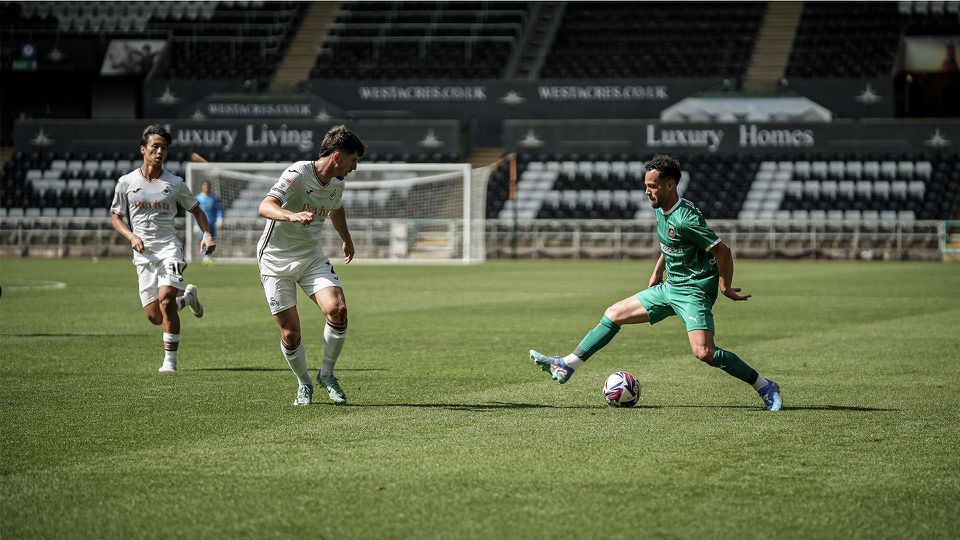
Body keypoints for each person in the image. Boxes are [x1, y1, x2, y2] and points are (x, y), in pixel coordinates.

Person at [529, 154, 783, 411]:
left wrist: (725, 285)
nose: (646, 191)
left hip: (693, 291)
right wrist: (656, 273)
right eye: (646, 185)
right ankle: (567, 364)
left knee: (704, 353)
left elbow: (723, 251)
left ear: (669, 185)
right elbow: (670, 245)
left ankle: (764, 386)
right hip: (670, 287)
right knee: (614, 314)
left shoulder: (686, 219)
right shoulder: (662, 209)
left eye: (652, 186)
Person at [256, 125, 364, 406]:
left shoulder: (337, 182)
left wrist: (346, 239)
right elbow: (265, 206)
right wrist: (291, 216)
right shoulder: (297, 173)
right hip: (275, 260)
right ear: (338, 156)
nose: (354, 167)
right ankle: (304, 382)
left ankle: (326, 374)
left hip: (311, 257)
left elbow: (335, 207)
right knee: (291, 334)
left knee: (338, 310)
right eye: (353, 160)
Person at [111, 124, 216, 372]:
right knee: (154, 315)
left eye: (164, 148)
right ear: (143, 149)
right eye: (155, 146)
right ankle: (188, 298)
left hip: (169, 248)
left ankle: (170, 362)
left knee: (166, 300)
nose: (159, 151)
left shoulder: (175, 183)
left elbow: (197, 210)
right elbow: (116, 218)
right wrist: (131, 236)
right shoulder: (126, 183)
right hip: (143, 253)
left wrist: (208, 234)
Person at [195, 180, 223, 264]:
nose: (206, 188)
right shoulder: (198, 198)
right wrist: (194, 223)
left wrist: (219, 218)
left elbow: (218, 209)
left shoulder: (214, 198)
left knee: (212, 239)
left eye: (207, 186)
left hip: (212, 222)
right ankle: (206, 256)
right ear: (202, 187)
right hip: (201, 224)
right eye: (204, 186)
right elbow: (195, 212)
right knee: (203, 238)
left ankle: (209, 255)